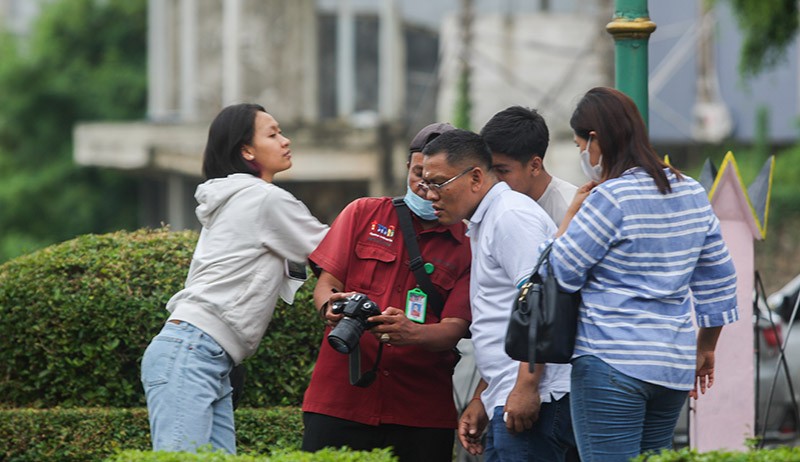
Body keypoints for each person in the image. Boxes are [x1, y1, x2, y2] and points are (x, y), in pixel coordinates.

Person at [545, 87, 739, 461]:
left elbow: (561, 274)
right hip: (672, 369)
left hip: (611, 364)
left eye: (578, 144)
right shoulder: (692, 192)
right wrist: (707, 347)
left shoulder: (610, 198)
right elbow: (720, 282)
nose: (582, 154)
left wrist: (569, 218)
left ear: (595, 140)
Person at [140, 103, 328, 454]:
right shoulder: (264, 199)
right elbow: (334, 249)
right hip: (194, 351)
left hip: (204, 355)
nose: (286, 141)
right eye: (273, 134)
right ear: (246, 150)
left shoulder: (238, 198)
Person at [301, 123, 472, 462]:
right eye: (418, 172)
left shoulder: (470, 243)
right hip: (339, 400)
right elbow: (326, 283)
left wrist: (414, 333)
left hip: (419, 411)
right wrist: (330, 307)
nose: (425, 185)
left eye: (437, 179)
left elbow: (456, 327)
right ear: (408, 167)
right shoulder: (363, 212)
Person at [421, 129, 574, 461]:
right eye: (424, 184)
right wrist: (485, 396)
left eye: (437, 183)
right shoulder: (488, 217)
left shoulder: (510, 216)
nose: (429, 195)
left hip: (536, 397)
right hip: (507, 392)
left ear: (476, 177)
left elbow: (543, 300)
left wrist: (527, 387)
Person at [481, 105, 578, 225]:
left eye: (502, 171)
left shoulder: (572, 211)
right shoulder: (490, 206)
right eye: (489, 170)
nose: (493, 180)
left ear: (534, 166)